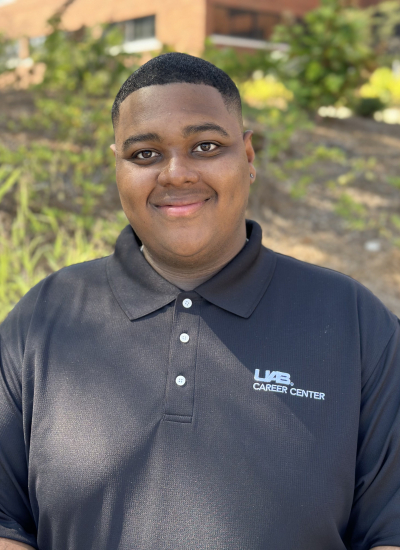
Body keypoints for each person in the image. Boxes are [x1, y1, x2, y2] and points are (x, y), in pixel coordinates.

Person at [0, 52, 399, 550]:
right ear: (117, 168)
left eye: (205, 146)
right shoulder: (44, 316)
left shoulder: (353, 321)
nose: (176, 173)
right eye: (145, 154)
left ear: (248, 158)